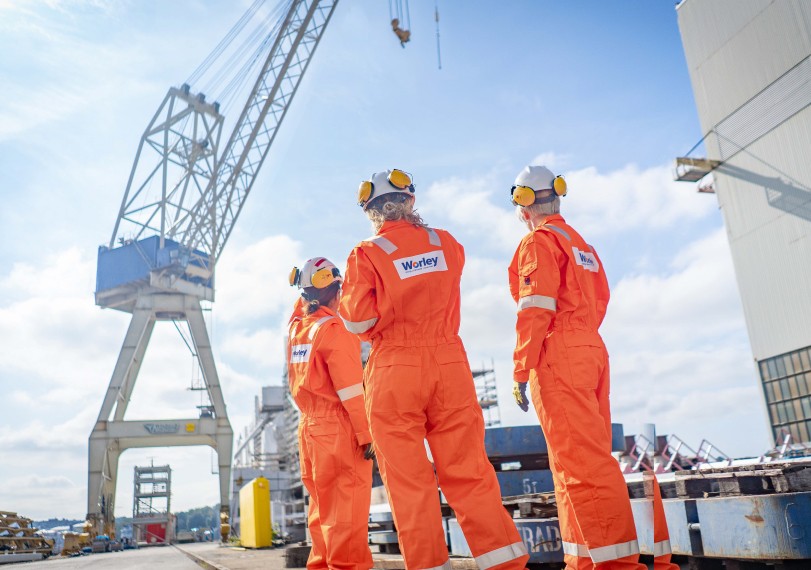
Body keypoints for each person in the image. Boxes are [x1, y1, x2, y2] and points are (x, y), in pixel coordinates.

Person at [340, 169, 529, 570]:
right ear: (410, 201)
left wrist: (386, 315)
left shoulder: (366, 254)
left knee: (411, 486)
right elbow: (446, 279)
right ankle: (505, 564)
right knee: (471, 474)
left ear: (373, 212)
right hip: (449, 363)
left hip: (394, 367)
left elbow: (356, 322)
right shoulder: (446, 243)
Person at [508, 165, 645, 570]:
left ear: (523, 202)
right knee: (576, 463)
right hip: (590, 348)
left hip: (560, 352)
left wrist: (520, 369)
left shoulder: (538, 242)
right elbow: (600, 297)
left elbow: (534, 310)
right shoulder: (579, 243)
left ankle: (616, 564)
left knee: (583, 467)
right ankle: (582, 562)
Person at [287, 257, 374, 570]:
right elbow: (351, 390)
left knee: (322, 513)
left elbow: (301, 307)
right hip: (337, 431)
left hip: (309, 431)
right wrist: (366, 435)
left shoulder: (299, 330)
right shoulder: (335, 331)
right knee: (346, 518)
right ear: (338, 292)